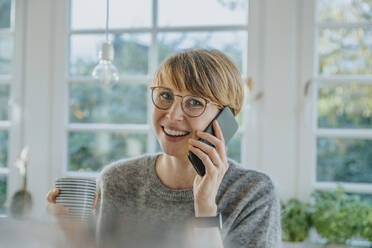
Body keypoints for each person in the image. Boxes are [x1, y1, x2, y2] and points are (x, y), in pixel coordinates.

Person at [47, 49, 281, 248]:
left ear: (226, 117)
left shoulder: (252, 193)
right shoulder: (117, 180)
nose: (173, 115)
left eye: (194, 102)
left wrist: (206, 207)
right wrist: (71, 233)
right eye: (166, 95)